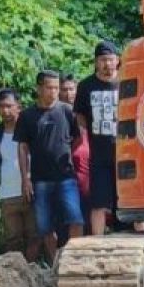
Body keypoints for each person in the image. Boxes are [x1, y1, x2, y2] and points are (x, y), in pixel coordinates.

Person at [15, 69, 84, 262]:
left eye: (56, 88)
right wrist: (25, 178)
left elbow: (77, 140)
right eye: (49, 87)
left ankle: (73, 259)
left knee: (76, 219)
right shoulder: (27, 115)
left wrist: (65, 154)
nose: (53, 92)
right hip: (40, 179)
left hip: (66, 176)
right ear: (39, 88)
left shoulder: (66, 111)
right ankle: (56, 264)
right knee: (45, 227)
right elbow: (22, 147)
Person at [74, 42, 133, 236]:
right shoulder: (86, 86)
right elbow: (80, 114)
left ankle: (137, 238)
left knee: (132, 198)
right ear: (96, 63)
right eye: (102, 60)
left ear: (117, 60)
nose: (107, 64)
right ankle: (97, 241)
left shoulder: (129, 81)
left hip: (128, 152)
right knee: (98, 202)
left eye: (110, 59)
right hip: (99, 155)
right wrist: (87, 133)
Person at [0, 89, 39, 262]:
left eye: (9, 106)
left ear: (19, 107)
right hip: (8, 193)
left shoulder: (31, 130)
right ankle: (15, 274)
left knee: (34, 235)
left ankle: (31, 271)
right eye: (1, 107)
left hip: (31, 191)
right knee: (12, 238)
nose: (5, 111)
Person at [60, 74, 90, 217]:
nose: (68, 94)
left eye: (71, 89)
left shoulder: (86, 113)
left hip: (88, 175)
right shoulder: (56, 116)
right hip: (65, 176)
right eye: (64, 90)